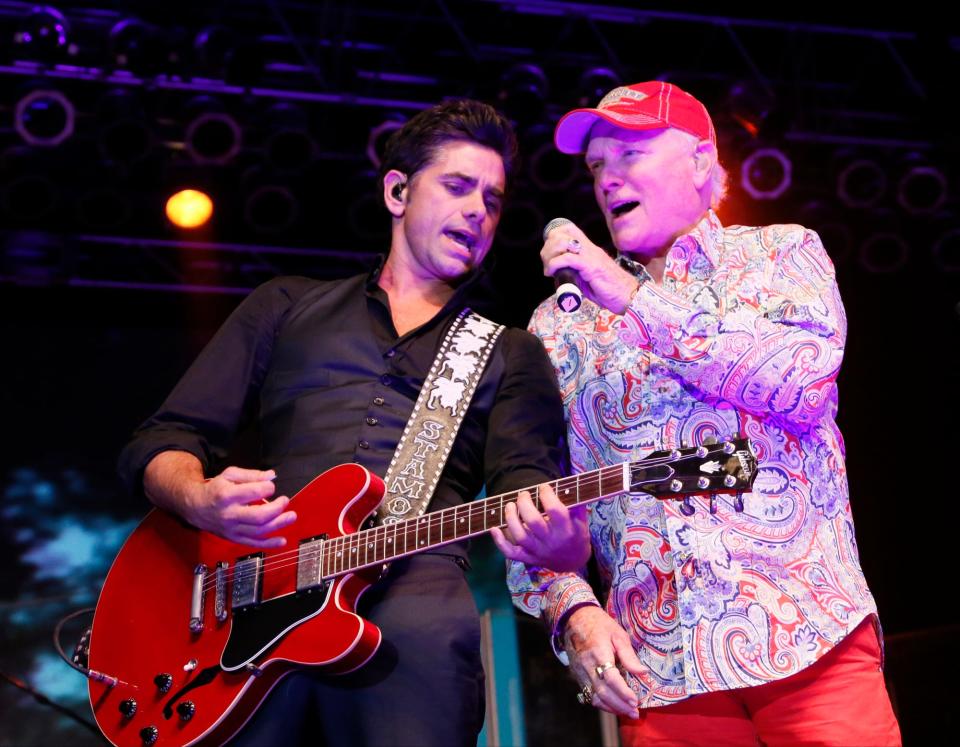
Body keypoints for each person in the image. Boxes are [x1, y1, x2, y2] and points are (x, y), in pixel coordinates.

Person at [117, 99, 567, 747]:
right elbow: (161, 441)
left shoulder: (509, 352)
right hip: (250, 618)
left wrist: (555, 532)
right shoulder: (285, 306)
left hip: (410, 626)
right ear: (397, 191)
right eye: (458, 186)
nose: (478, 211)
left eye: (493, 200)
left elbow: (531, 487)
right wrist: (200, 497)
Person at [492, 81, 902, 746]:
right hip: (663, 678)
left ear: (703, 164)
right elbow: (531, 504)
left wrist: (634, 299)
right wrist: (575, 615)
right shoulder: (559, 325)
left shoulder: (779, 255)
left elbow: (803, 383)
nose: (607, 177)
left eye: (629, 153)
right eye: (596, 165)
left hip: (810, 644)